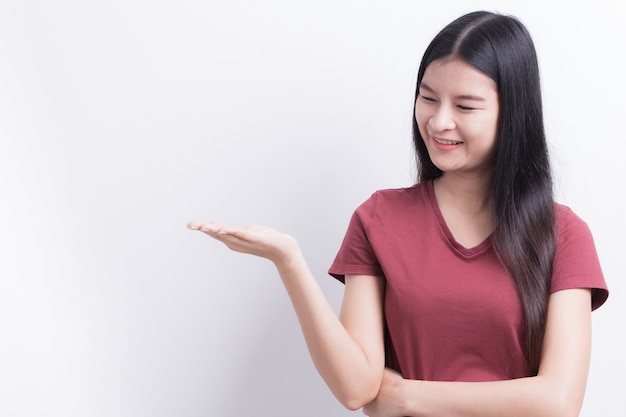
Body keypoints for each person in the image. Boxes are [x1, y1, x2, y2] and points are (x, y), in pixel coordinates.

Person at [188, 10, 608, 417]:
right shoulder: (379, 218)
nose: (439, 121)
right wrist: (289, 261)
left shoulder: (564, 234)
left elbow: (558, 401)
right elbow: (357, 388)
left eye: (465, 106)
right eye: (428, 98)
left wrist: (407, 396)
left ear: (513, 114)